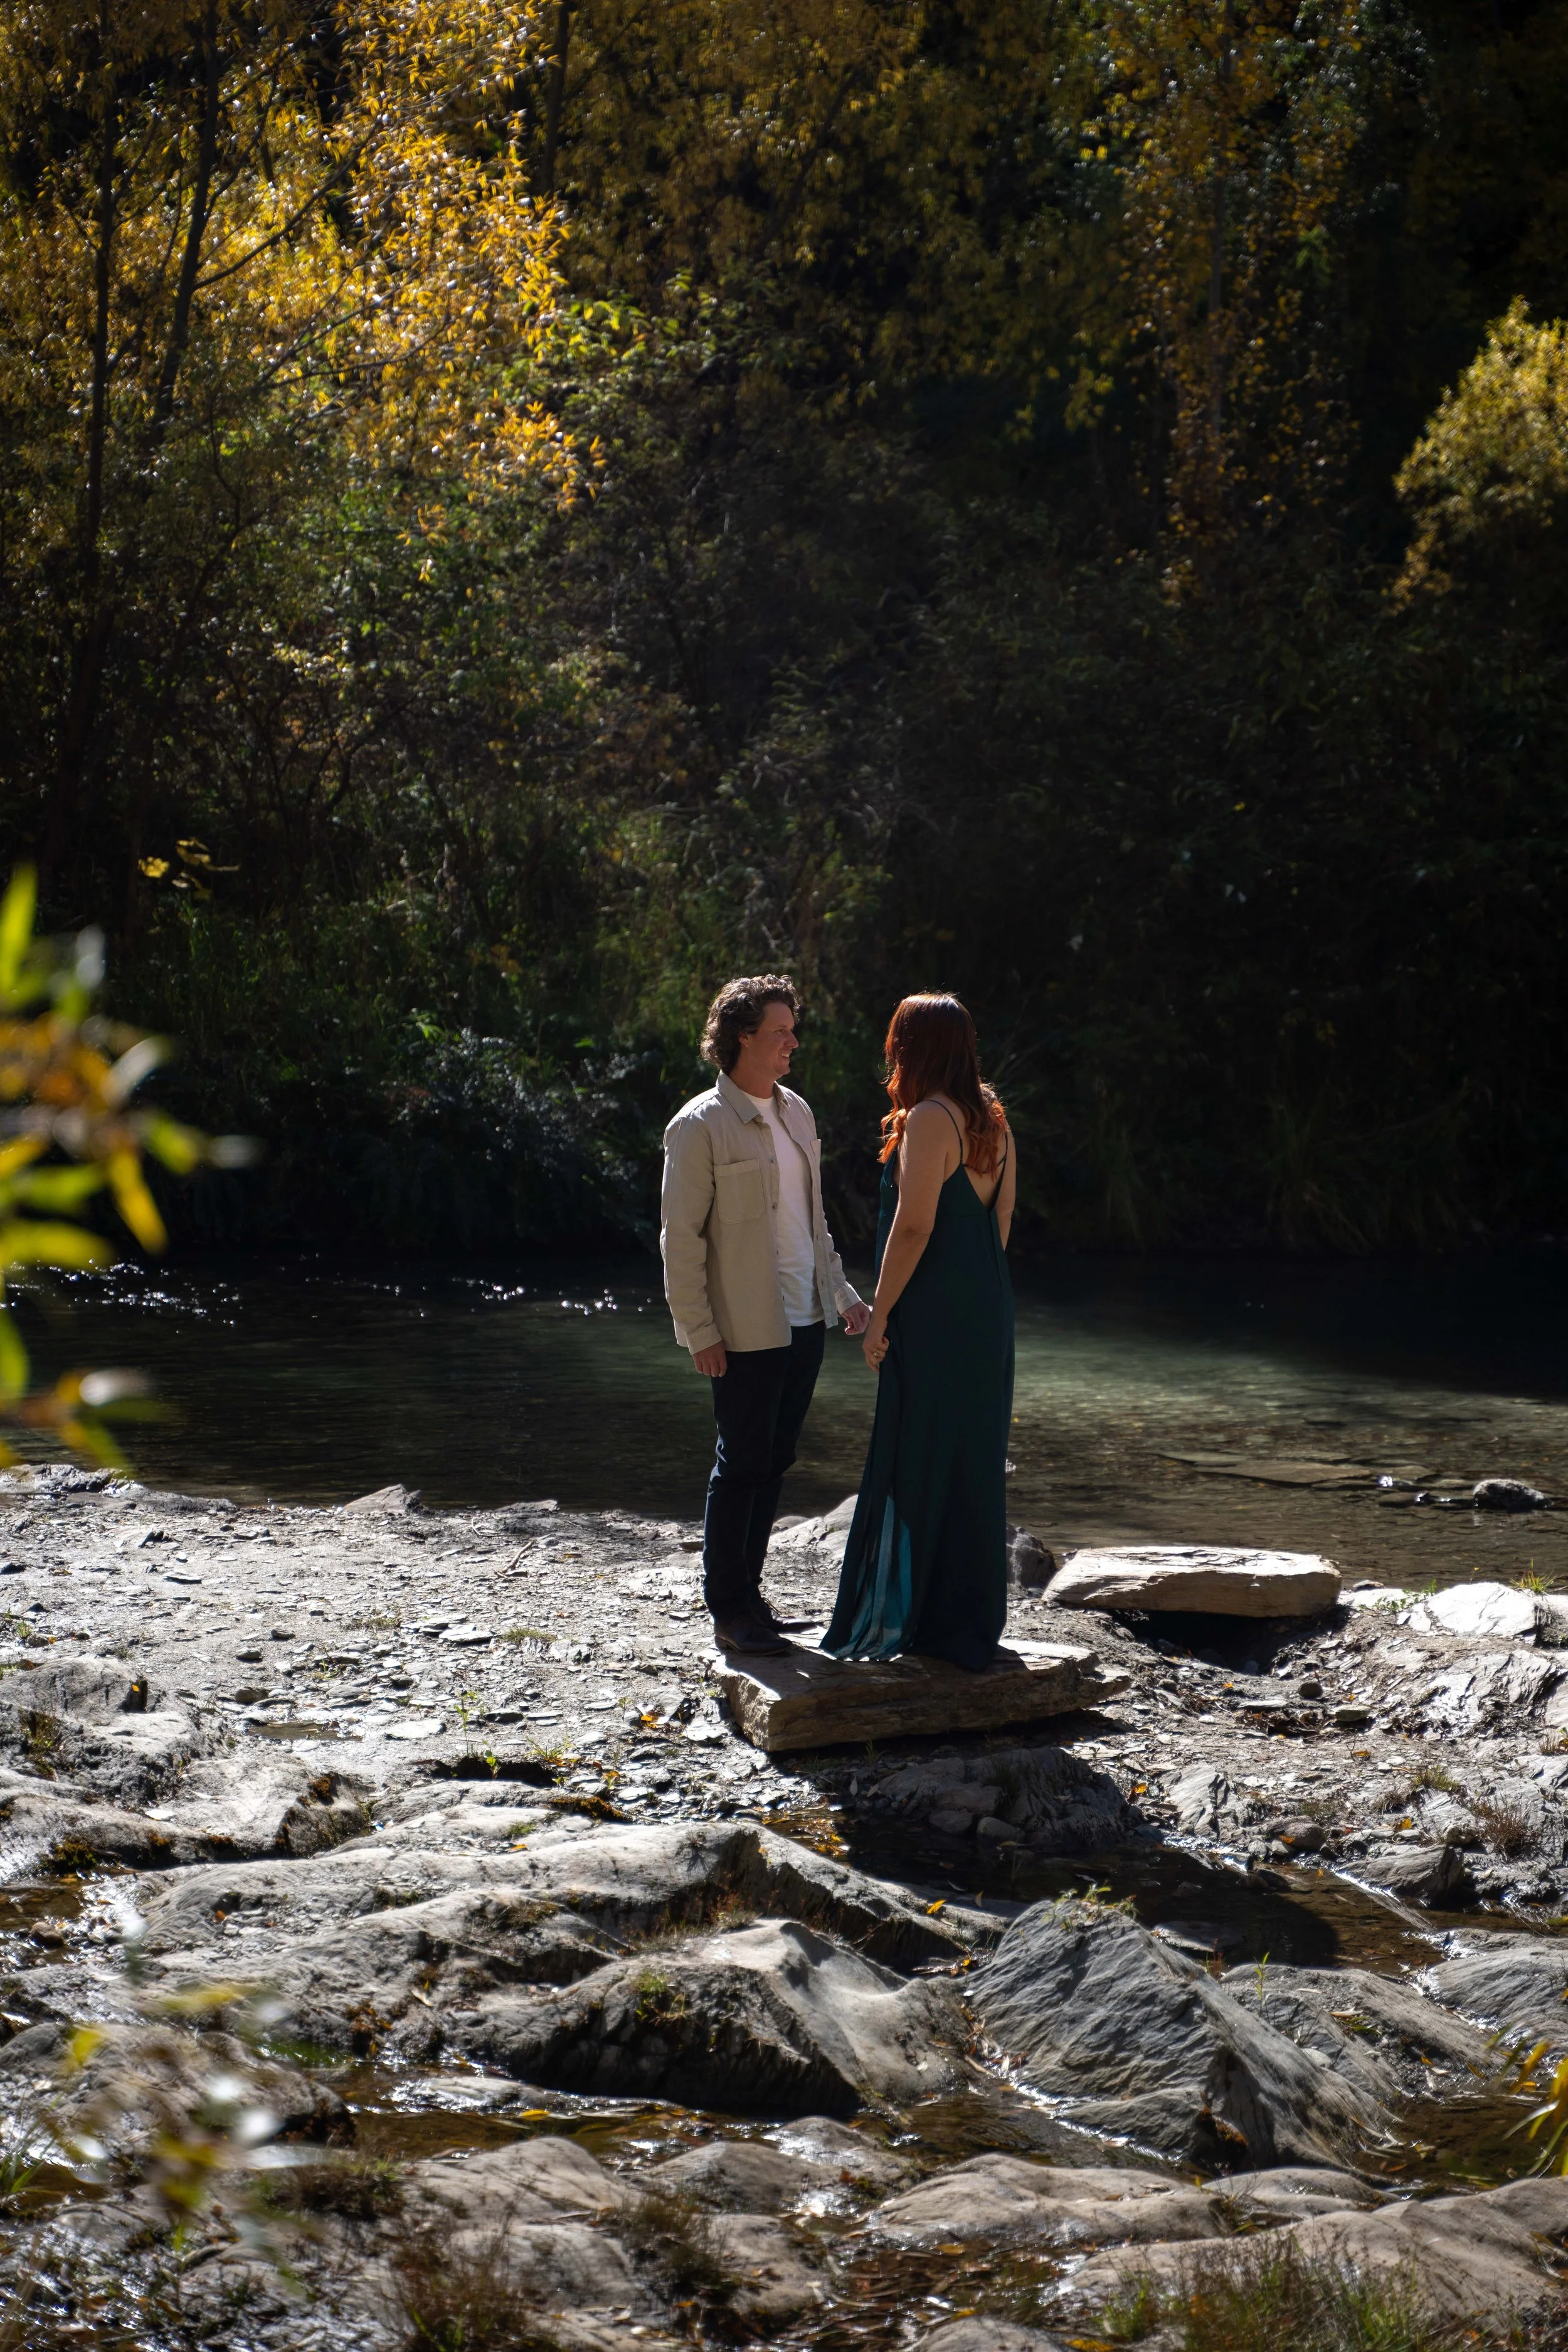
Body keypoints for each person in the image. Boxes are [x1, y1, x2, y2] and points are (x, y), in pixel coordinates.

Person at [661, 976, 871, 1655]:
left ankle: (750, 1595)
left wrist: (841, 1294)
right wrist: (699, 1331)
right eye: (780, 1031)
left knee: (774, 1460)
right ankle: (728, 1608)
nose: (793, 1042)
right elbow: (680, 1240)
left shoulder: (798, 1114)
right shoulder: (698, 1125)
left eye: (792, 1029)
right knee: (741, 1460)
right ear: (742, 1036)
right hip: (743, 1327)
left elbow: (813, 1223)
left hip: (804, 1318)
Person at [823, 994, 1015, 1670]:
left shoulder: (931, 1119)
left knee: (919, 1452)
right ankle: (962, 1622)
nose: (889, 1053)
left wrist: (880, 1313)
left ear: (912, 1047)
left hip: (934, 1309)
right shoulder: (991, 1117)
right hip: (985, 1305)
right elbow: (999, 1226)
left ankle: (917, 1619)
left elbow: (913, 1227)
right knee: (968, 1455)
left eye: (896, 1041)